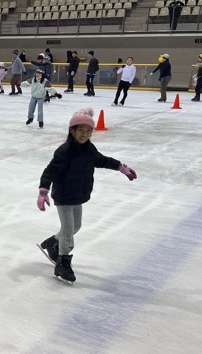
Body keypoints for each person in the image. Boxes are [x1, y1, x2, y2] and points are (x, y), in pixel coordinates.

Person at [36, 108, 137, 284]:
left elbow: (102, 160)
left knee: (76, 227)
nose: (84, 134)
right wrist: (43, 190)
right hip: (64, 196)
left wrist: (121, 167)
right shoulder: (65, 151)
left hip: (79, 194)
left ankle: (52, 242)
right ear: (72, 131)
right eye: (81, 130)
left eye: (88, 131)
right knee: (68, 232)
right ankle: (63, 263)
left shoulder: (89, 149)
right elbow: (50, 171)